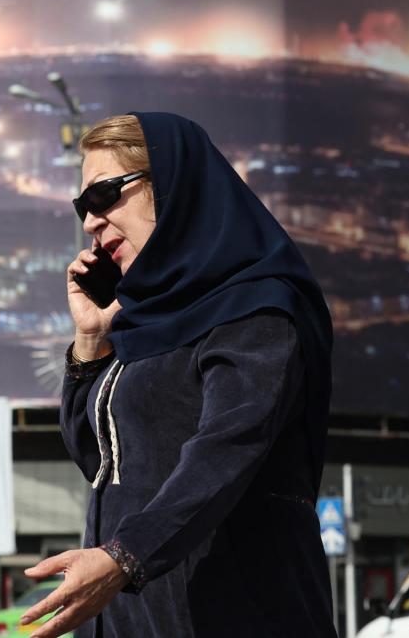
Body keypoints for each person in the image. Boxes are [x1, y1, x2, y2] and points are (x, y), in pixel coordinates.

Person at [20, 111, 336, 638]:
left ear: (169, 187)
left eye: (102, 196)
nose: (90, 222)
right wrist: (92, 342)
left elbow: (228, 447)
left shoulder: (255, 309)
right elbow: (100, 460)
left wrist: (124, 557)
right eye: (82, 207)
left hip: (236, 613)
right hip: (140, 615)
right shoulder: (144, 320)